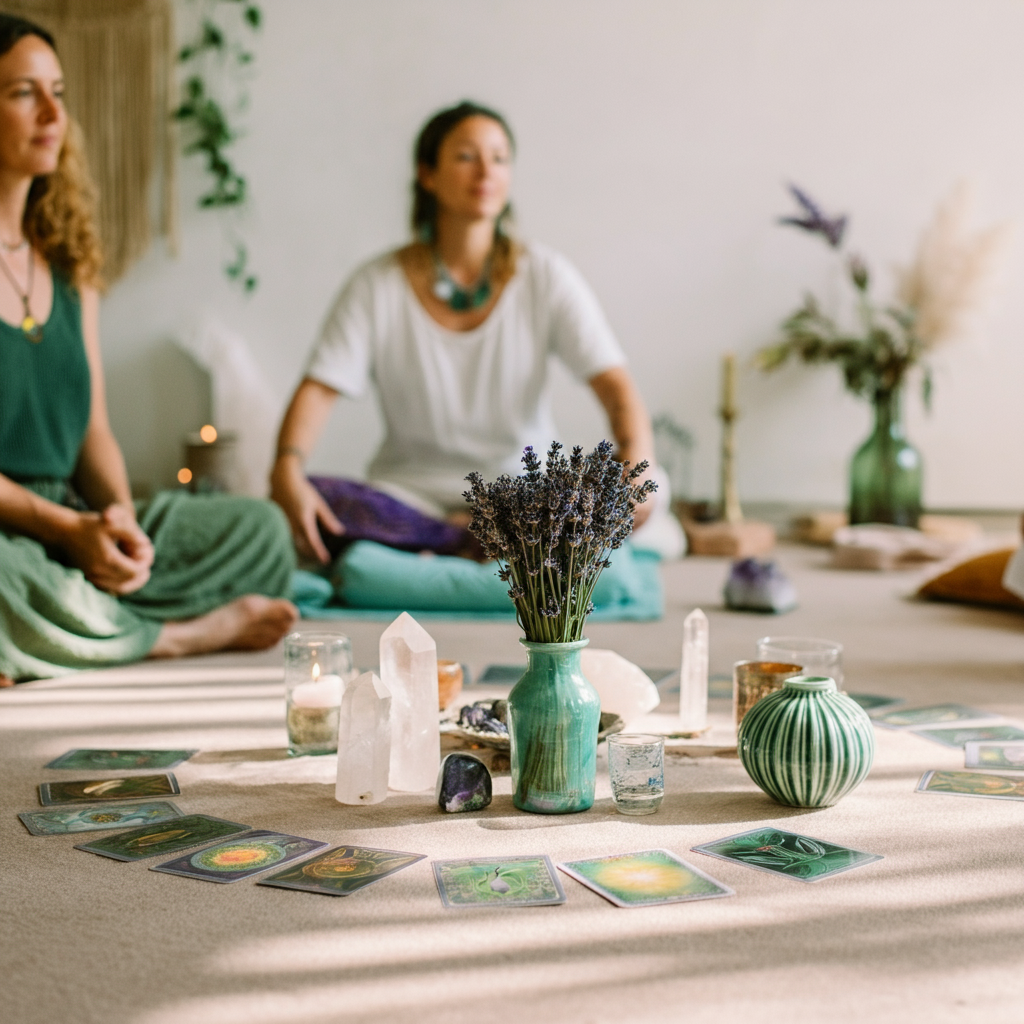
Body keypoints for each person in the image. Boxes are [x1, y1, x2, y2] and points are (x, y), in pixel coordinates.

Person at [0, 15, 297, 684]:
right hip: (14, 524)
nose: (53, 113)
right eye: (23, 93)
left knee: (261, 532)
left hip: (72, 515)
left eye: (60, 90)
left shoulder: (69, 260)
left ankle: (64, 626)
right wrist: (62, 532)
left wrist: (119, 524)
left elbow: (93, 427)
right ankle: (176, 637)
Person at [272, 101, 670, 565]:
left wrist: (636, 465)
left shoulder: (545, 275)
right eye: (465, 156)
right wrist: (286, 467)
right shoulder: (376, 284)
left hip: (526, 499)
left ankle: (466, 543)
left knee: (647, 486)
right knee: (315, 502)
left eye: (500, 158)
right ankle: (473, 542)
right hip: (409, 499)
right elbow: (319, 390)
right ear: (428, 174)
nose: (486, 170)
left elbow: (613, 385)